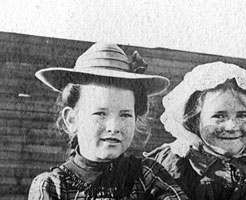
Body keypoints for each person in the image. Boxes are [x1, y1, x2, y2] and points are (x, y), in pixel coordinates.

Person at [28, 43, 187, 200]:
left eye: (125, 115)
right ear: (72, 119)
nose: (114, 127)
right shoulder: (51, 186)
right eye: (100, 113)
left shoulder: (150, 176)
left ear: (136, 118)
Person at [145, 62, 246, 200]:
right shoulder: (174, 166)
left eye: (242, 115)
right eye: (219, 116)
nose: (232, 127)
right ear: (194, 120)